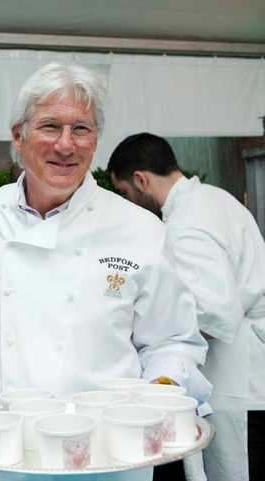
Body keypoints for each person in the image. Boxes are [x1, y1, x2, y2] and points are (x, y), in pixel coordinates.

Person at [0, 63, 210, 481]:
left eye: (81, 129)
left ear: (95, 139)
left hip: (113, 457)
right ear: (18, 136)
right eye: (50, 126)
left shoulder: (140, 229)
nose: (66, 145)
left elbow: (174, 338)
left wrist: (155, 393)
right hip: (7, 454)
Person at [109, 132, 265, 481]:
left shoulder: (186, 225)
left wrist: (142, 320)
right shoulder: (214, 198)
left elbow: (217, 311)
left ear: (140, 180)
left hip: (243, 380)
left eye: (124, 193)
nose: (128, 203)